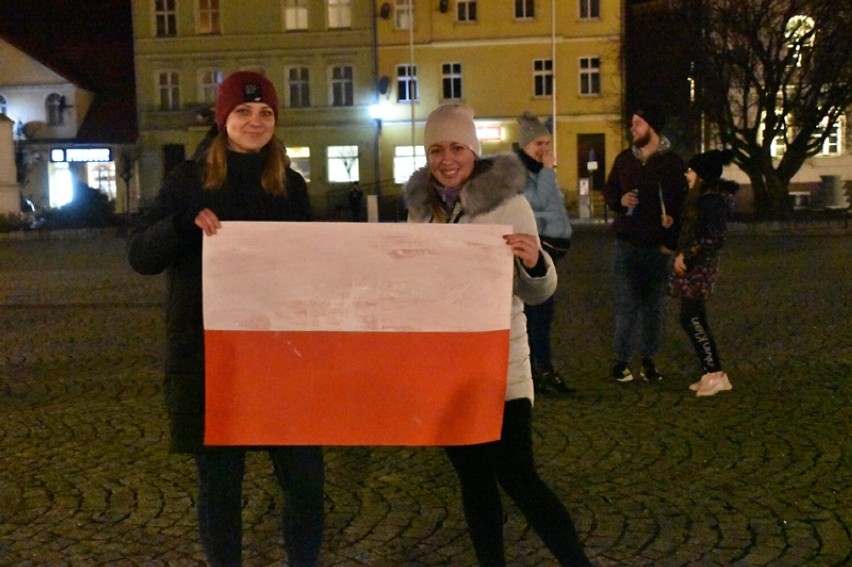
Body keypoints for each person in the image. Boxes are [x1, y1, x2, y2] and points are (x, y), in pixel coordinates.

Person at [127, 71, 324, 567]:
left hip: (283, 357)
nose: (254, 122)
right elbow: (140, 255)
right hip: (214, 359)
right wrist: (178, 226)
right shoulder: (188, 181)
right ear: (223, 118)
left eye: (264, 114)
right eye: (242, 111)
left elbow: (314, 261)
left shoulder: (290, 184)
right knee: (220, 489)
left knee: (306, 485)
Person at [404, 103, 591, 567]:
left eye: (457, 147)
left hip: (501, 367)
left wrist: (534, 261)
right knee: (473, 480)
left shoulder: (510, 204)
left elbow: (540, 292)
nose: (447, 158)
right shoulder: (421, 212)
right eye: (436, 149)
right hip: (447, 369)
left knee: (518, 476)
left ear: (474, 149)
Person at [603, 103, 687, 384]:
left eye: (637, 123)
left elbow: (681, 206)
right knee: (626, 305)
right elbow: (610, 190)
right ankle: (621, 361)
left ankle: (649, 361)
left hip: (656, 247)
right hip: (625, 243)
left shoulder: (672, 163)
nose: (632, 128)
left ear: (651, 126)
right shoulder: (625, 159)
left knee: (652, 307)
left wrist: (670, 236)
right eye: (632, 123)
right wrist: (619, 200)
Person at [669, 149, 738, 396]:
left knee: (691, 318)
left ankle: (714, 373)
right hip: (698, 267)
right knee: (695, 317)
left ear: (701, 175)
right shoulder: (705, 198)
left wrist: (687, 256)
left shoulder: (711, 200)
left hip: (700, 268)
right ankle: (712, 373)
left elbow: (711, 236)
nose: (687, 174)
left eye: (691, 170)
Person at [515, 112, 574, 394]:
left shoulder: (536, 170)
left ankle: (540, 370)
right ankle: (541, 372)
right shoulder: (518, 173)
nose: (545, 150)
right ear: (525, 145)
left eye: (547, 144)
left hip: (548, 253)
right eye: (539, 143)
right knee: (537, 315)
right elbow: (537, 201)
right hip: (532, 255)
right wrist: (549, 170)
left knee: (542, 316)